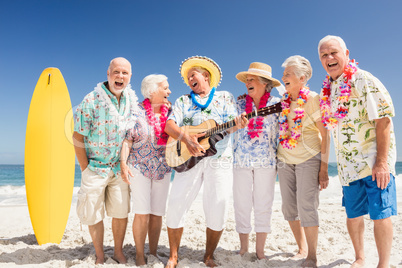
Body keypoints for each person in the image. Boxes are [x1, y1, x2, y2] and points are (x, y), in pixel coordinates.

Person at [318, 35, 397, 268]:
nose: (329, 58)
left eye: (334, 52)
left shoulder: (363, 79)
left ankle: (383, 264)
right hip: (347, 166)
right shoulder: (327, 91)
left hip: (373, 162)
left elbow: (383, 120)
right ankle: (360, 258)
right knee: (353, 214)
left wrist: (382, 162)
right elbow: (327, 131)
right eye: (324, 55)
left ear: (347, 54)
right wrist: (324, 167)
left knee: (380, 213)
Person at [164, 56, 247, 267]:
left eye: (194, 74)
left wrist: (238, 124)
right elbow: (169, 125)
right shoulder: (183, 100)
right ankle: (173, 256)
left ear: (206, 76)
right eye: (188, 77)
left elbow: (233, 125)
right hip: (188, 157)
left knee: (218, 205)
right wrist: (185, 138)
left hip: (219, 159)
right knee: (175, 204)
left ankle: (209, 255)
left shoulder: (225, 97)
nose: (190, 78)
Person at [73, 57, 138, 264]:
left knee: (121, 212)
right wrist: (85, 169)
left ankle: (118, 251)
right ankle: (100, 254)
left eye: (125, 73)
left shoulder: (131, 100)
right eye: (116, 72)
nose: (120, 76)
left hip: (120, 168)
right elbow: (78, 137)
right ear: (108, 74)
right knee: (93, 214)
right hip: (95, 167)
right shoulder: (91, 100)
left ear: (130, 77)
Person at [277, 55, 329, 268]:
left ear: (303, 78)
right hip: (284, 160)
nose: (283, 77)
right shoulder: (283, 101)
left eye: (287, 74)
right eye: (284, 74)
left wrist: (324, 167)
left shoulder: (313, 99)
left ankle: (312, 256)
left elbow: (325, 135)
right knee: (289, 207)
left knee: (307, 206)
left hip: (309, 158)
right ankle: (302, 248)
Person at [120, 74, 172, 266]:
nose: (169, 91)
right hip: (139, 166)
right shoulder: (136, 112)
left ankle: (153, 252)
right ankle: (140, 255)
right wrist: (123, 164)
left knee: (157, 213)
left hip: (163, 167)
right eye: (165, 88)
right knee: (142, 212)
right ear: (152, 91)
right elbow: (127, 139)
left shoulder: (171, 111)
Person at [232, 62, 281, 259]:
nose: (247, 83)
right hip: (241, 161)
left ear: (264, 83)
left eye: (252, 79)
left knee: (263, 204)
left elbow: (282, 131)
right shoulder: (239, 104)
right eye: (247, 80)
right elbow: (228, 129)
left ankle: (260, 250)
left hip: (267, 162)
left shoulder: (276, 104)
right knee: (241, 204)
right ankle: (243, 248)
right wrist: (236, 125)